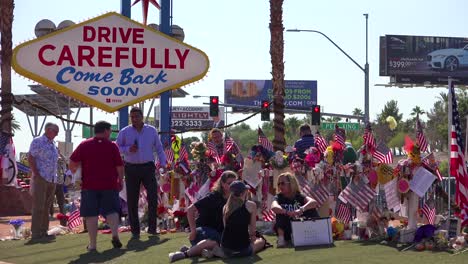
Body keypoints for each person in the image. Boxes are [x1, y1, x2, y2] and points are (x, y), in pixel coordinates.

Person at [69, 121, 124, 251]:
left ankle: (93, 244)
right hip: (109, 184)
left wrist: (76, 175)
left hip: (89, 185)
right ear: (105, 131)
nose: (110, 133)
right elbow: (120, 166)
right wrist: (120, 180)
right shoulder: (112, 146)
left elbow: (72, 162)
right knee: (112, 211)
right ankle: (115, 235)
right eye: (110, 131)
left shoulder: (84, 145)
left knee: (91, 214)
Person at [116, 107, 167, 239]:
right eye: (132, 117)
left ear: (142, 117)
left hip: (148, 167)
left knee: (153, 197)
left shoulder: (151, 131)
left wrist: (163, 163)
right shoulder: (124, 131)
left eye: (136, 116)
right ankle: (135, 230)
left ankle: (152, 228)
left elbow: (159, 148)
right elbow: (117, 148)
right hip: (131, 168)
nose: (134, 119)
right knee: (132, 200)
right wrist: (128, 149)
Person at [168, 171, 238, 262]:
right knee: (217, 240)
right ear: (222, 183)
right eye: (229, 183)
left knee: (227, 242)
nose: (233, 186)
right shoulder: (212, 197)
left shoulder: (234, 199)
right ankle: (184, 254)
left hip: (217, 233)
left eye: (235, 183)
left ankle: (198, 250)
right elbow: (190, 210)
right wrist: (193, 231)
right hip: (202, 231)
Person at [202, 181, 266, 259]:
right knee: (261, 241)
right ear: (243, 193)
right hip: (242, 250)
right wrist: (252, 238)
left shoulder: (225, 207)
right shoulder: (251, 205)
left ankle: (220, 252)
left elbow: (226, 228)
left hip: (225, 247)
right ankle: (225, 253)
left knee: (230, 247)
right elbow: (252, 232)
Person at [29, 122, 60, 240]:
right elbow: (30, 157)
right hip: (41, 178)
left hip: (52, 179)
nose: (56, 134)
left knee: (47, 207)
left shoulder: (53, 144)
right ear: (48, 130)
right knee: (39, 206)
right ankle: (36, 232)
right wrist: (37, 174)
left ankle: (44, 231)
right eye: (55, 131)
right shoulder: (38, 141)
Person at [271, 172, 319, 247]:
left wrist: (301, 209)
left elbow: (314, 202)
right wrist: (286, 212)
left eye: (283, 183)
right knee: (279, 211)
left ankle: (300, 236)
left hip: (300, 227)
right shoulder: (279, 197)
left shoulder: (299, 196)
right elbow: (274, 207)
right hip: (286, 229)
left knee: (311, 209)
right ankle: (281, 239)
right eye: (279, 184)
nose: (280, 186)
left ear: (291, 183)